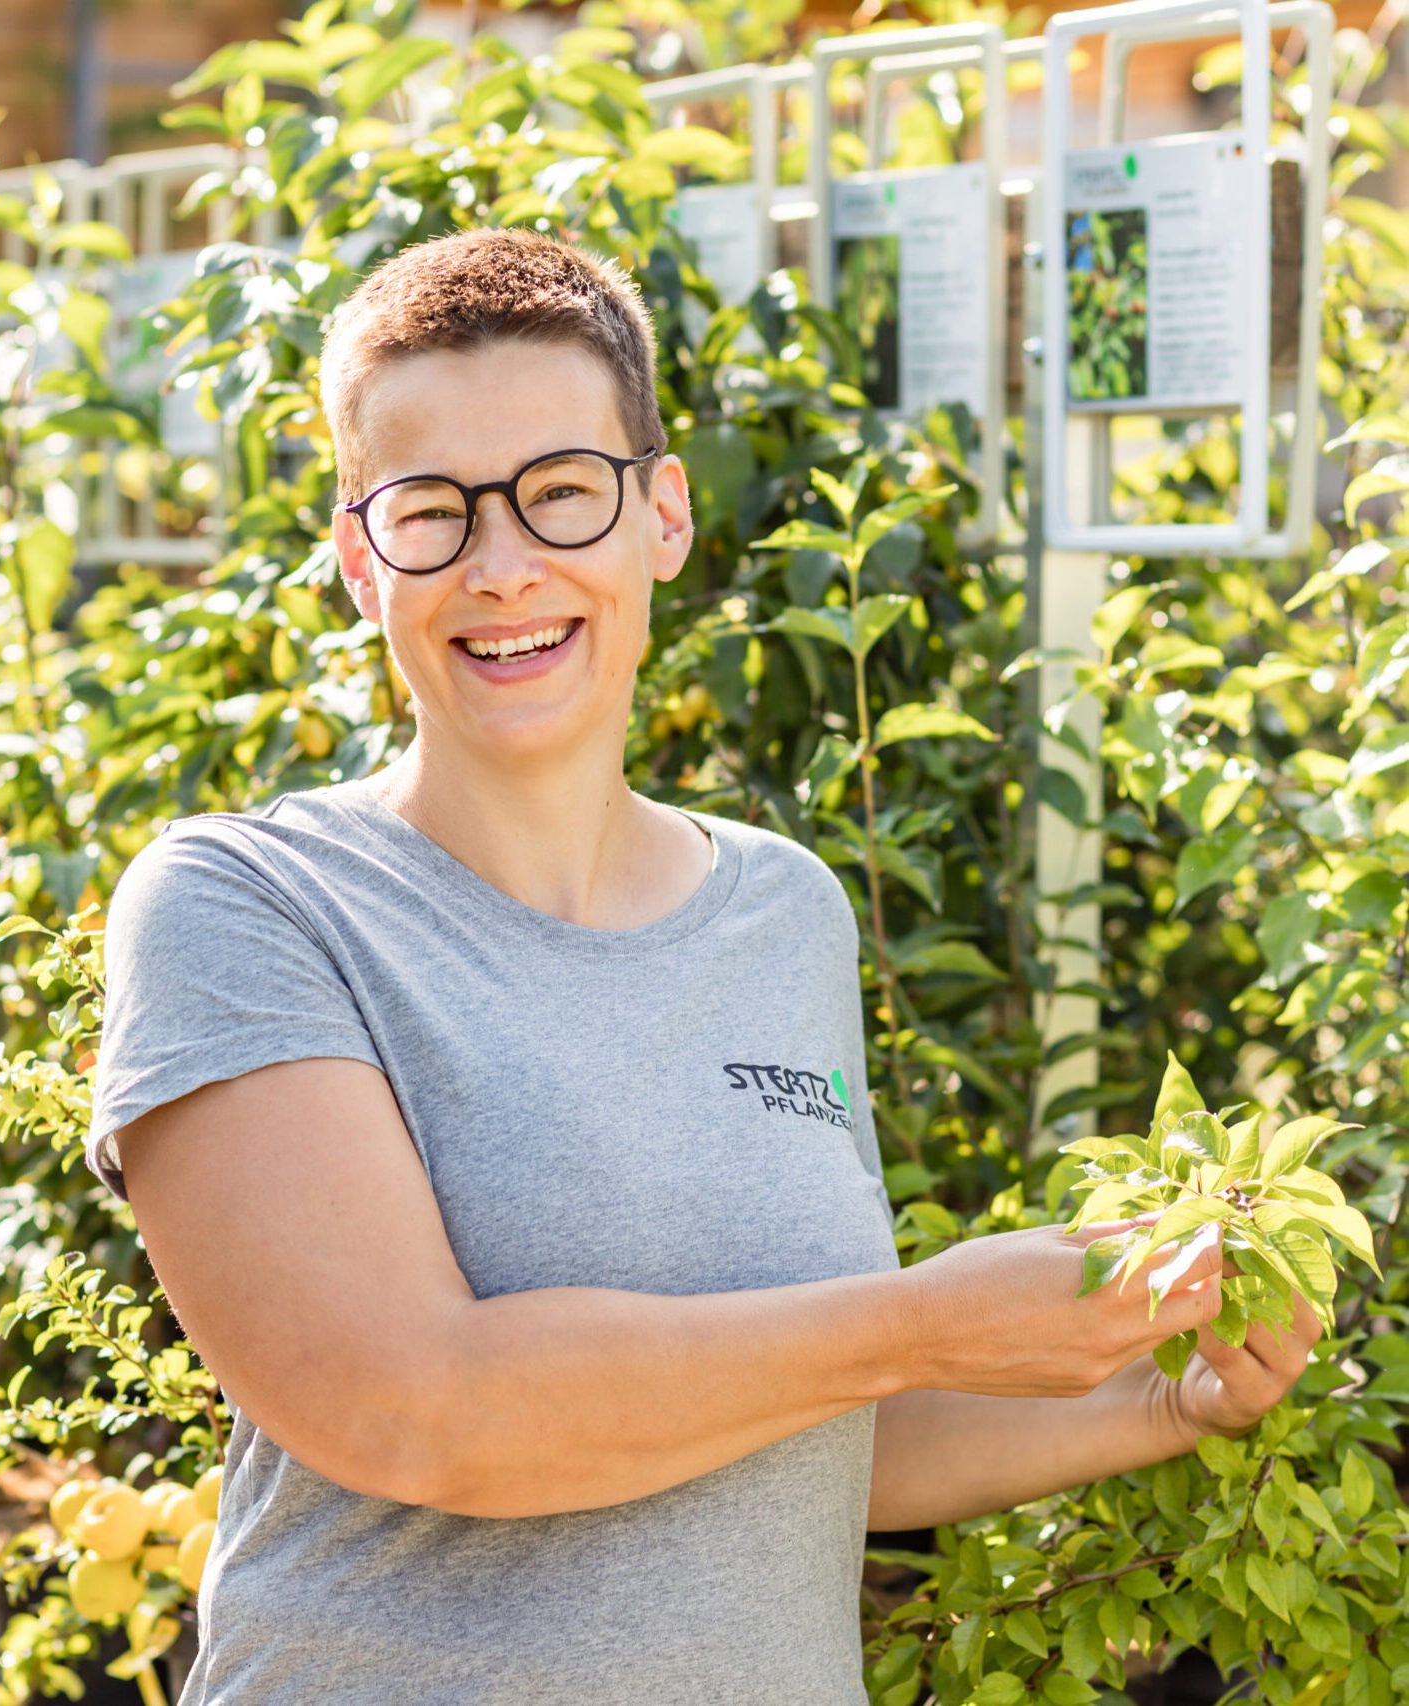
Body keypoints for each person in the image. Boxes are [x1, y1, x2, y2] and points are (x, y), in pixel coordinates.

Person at [83, 227, 1321, 1705]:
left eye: (559, 494)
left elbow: (804, 1427)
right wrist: (925, 1317)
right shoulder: (247, 904)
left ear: (659, 515)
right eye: (430, 512)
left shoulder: (781, 914)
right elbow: (421, 1409)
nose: (501, 566)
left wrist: (1153, 1392)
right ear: (359, 557)